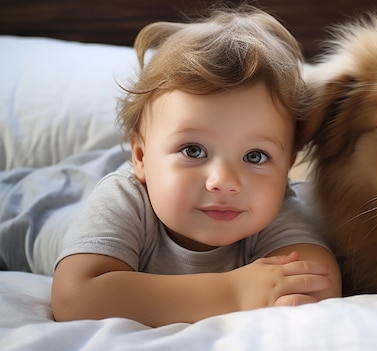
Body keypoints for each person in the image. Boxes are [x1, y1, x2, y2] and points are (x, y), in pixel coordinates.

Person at [46, 5, 341, 326]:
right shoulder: (124, 199)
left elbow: (318, 286)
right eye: (193, 150)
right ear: (141, 157)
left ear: (287, 168)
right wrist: (234, 292)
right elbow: (75, 299)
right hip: (39, 207)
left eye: (255, 156)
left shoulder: (275, 210)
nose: (224, 181)